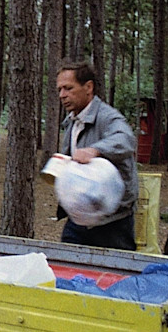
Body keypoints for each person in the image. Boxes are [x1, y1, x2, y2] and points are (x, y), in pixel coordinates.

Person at [55, 61, 138, 250]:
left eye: (68, 88)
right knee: (68, 263)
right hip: (79, 219)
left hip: (113, 223)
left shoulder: (108, 117)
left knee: (114, 268)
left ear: (88, 87)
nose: (62, 95)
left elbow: (125, 138)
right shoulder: (72, 121)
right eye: (60, 89)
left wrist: (95, 150)